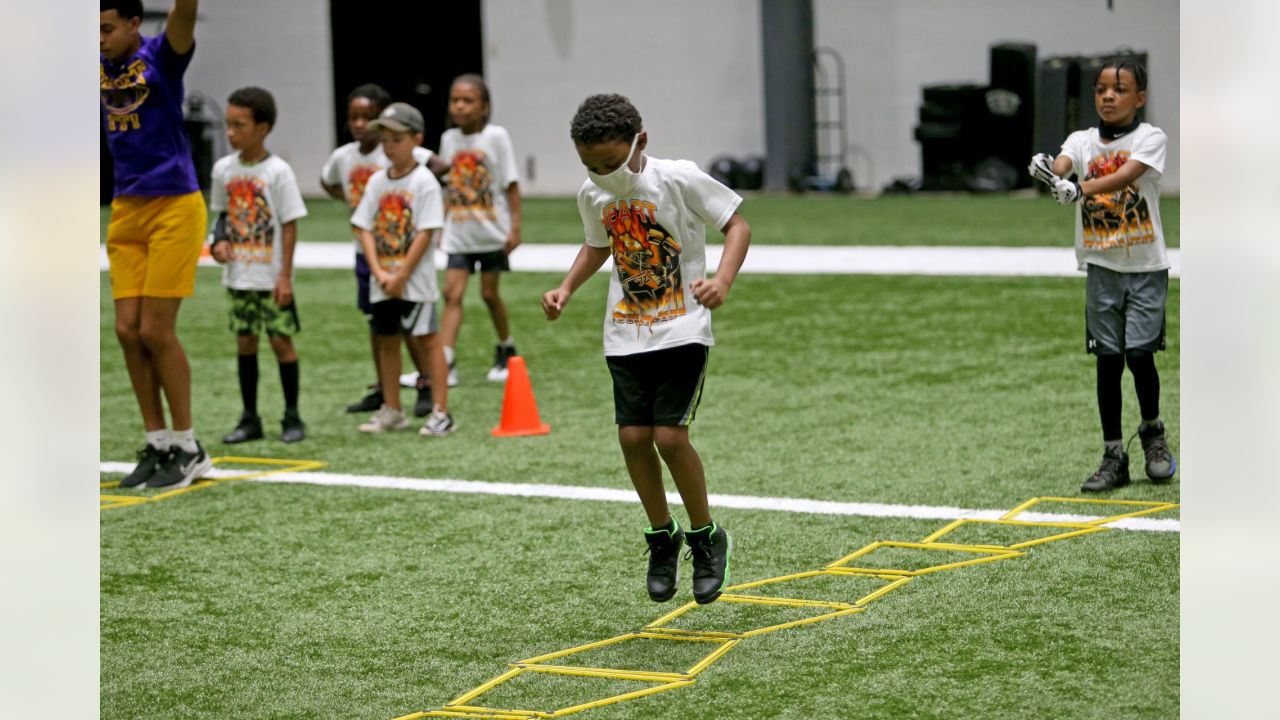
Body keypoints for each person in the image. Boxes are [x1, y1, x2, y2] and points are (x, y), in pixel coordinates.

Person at [541, 94, 751, 605]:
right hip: (625, 331)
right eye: (590, 166)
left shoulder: (677, 177)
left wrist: (721, 281)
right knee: (633, 436)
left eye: (611, 164)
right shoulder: (593, 194)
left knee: (670, 438)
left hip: (682, 326)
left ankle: (705, 537)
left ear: (641, 142)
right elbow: (598, 246)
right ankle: (663, 535)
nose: (602, 174)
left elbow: (737, 225)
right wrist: (567, 288)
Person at [1028, 57, 1177, 492]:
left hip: (1145, 267)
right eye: (1100, 90)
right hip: (1101, 268)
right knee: (1108, 363)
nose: (1108, 96)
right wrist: (1049, 169)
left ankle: (1153, 432)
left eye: (1120, 89)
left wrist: (1080, 189)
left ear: (1140, 98)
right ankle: (1114, 454)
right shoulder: (1082, 139)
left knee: (1139, 356)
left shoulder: (1150, 138)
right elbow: (1065, 161)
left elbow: (1126, 175)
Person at [100, 0, 212, 489]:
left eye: (106, 29)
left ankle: (189, 446)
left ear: (132, 24)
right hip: (126, 207)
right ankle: (158, 440)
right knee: (127, 330)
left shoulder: (162, 56)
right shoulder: (98, 68)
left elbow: (184, 13)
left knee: (155, 331)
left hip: (174, 206)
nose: (98, 39)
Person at [321, 84, 439, 417]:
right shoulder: (346, 158)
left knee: (415, 330)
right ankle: (386, 392)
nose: (359, 124)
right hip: (372, 258)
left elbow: (439, 166)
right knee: (379, 325)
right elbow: (330, 184)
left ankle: (426, 385)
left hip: (406, 262)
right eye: (353, 118)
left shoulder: (408, 164)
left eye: (367, 117)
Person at [208, 87, 308, 444]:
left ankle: (292, 415)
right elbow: (221, 215)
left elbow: (291, 223)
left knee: (282, 343)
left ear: (262, 127)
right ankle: (250, 417)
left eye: (240, 125)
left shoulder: (278, 171)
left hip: (270, 276)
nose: (231, 132)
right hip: (239, 276)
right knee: (245, 342)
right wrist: (217, 241)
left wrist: (285, 276)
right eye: (228, 125)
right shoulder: (223, 169)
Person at [350, 103, 455, 436]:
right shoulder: (378, 180)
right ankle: (392, 408)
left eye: (397, 138)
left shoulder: (424, 181)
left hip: (414, 282)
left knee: (427, 341)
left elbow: (426, 232)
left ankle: (441, 411)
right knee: (387, 341)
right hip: (384, 279)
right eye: (385, 139)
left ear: (416, 139)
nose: (389, 145)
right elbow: (363, 226)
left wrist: (401, 275)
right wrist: (380, 273)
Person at [431, 74, 522, 385]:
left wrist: (515, 228)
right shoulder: (448, 139)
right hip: (459, 233)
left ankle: (507, 348)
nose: (459, 105)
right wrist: (441, 225)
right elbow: (448, 187)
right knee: (451, 294)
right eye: (455, 99)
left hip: (492, 232)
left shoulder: (497, 137)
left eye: (467, 100)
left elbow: (510, 184)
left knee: (488, 294)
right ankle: (446, 362)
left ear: (484, 107)